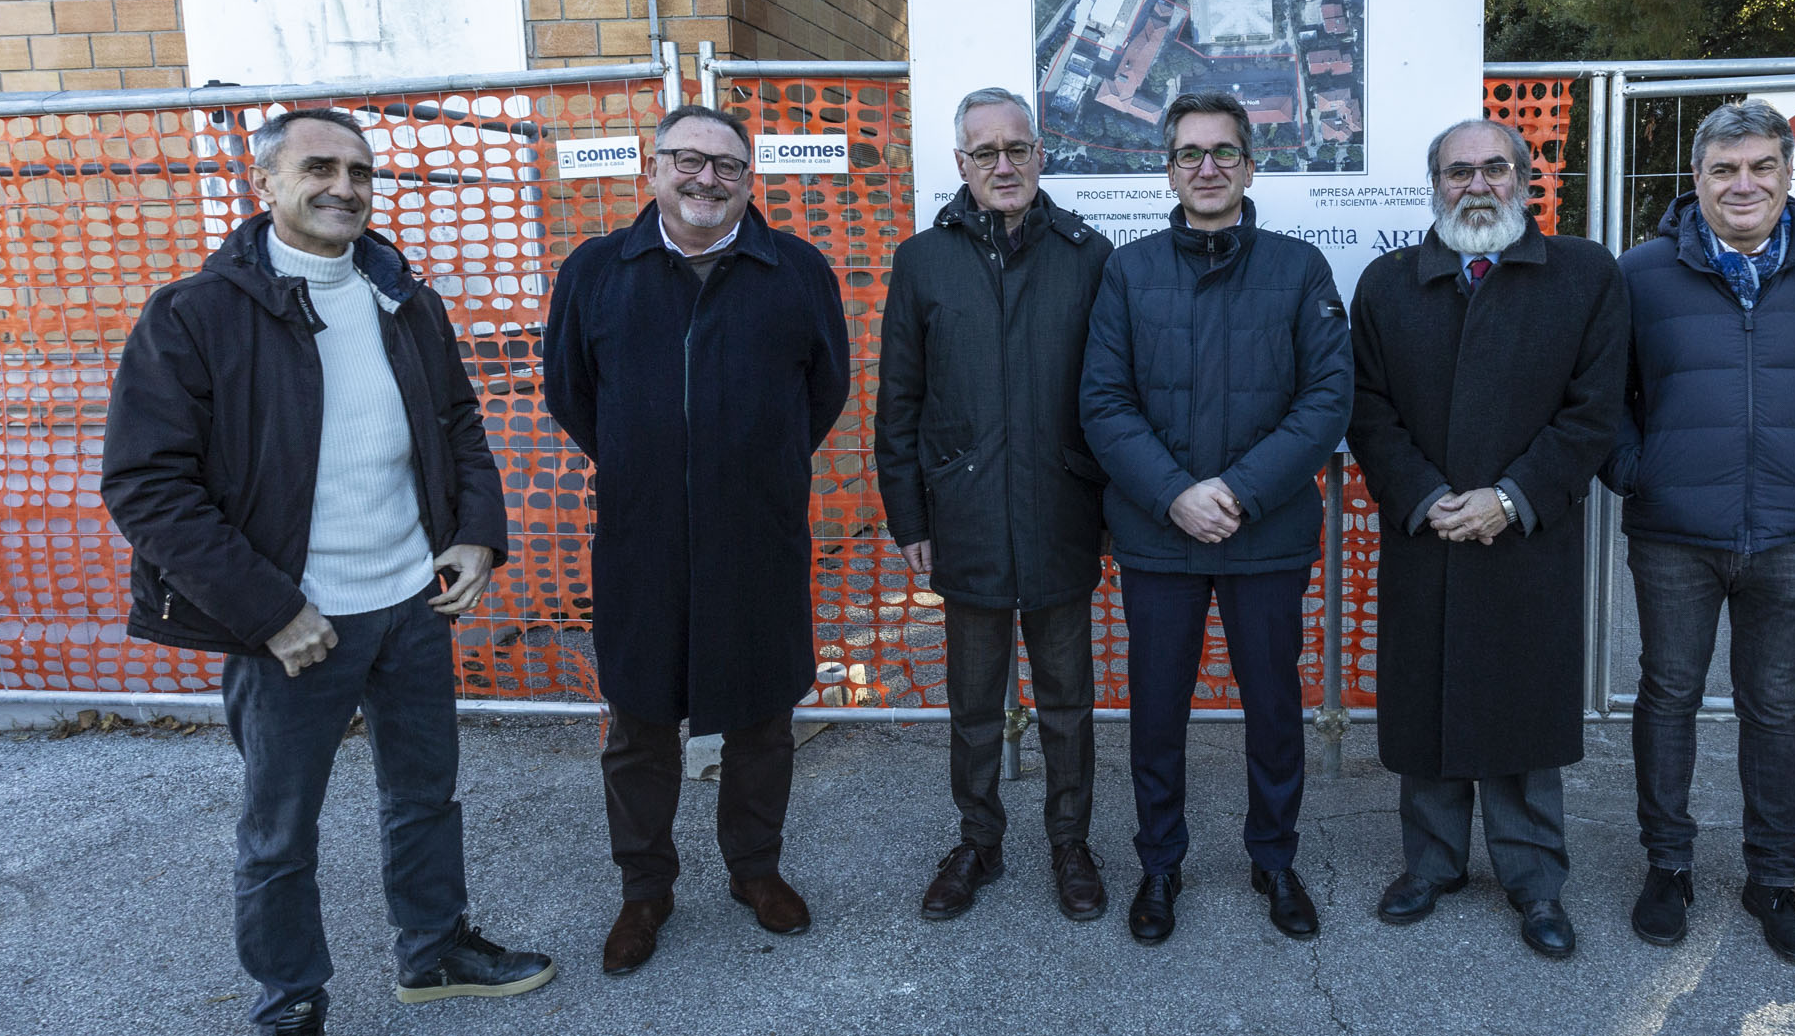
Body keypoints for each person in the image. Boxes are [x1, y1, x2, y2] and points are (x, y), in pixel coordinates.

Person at [101, 106, 551, 1036]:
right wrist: (272, 610)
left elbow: (458, 425)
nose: (343, 186)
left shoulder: (403, 298)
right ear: (265, 183)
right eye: (318, 167)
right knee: (279, 834)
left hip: (411, 603)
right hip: (293, 629)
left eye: (359, 170)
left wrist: (475, 535)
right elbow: (146, 484)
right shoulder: (194, 315)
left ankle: (433, 950)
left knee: (425, 792)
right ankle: (291, 1016)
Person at [542, 103, 850, 975]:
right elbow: (572, 391)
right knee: (639, 723)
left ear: (749, 180)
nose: (706, 178)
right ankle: (645, 889)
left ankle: (755, 869)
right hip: (641, 541)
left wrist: (754, 465)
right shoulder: (597, 270)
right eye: (688, 159)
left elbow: (824, 391)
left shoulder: (797, 270)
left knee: (762, 717)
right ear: (654, 169)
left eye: (727, 165)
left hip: (757, 538)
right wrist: (647, 461)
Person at [1600, 99, 1795, 964]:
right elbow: (1605, 395)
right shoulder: (1641, 272)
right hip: (1673, 529)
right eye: (1725, 169)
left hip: (1791, 531)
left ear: (1788, 173)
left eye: (1762, 166)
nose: (1744, 184)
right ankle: (1668, 865)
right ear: (1696, 178)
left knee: (1775, 704)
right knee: (1668, 694)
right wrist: (1635, 469)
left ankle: (1775, 877)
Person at [1347, 120, 1630, 959]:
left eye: (1494, 168)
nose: (1477, 184)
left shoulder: (1584, 274)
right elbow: (1366, 407)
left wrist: (1512, 497)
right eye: (1458, 170)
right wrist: (1423, 495)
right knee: (1427, 701)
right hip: (1428, 528)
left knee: (1521, 706)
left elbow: (1595, 411)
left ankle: (1535, 879)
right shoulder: (1389, 282)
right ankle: (1430, 863)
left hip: (1528, 535)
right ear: (1435, 183)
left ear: (1526, 178)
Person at [1080, 89, 1354, 945]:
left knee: (1273, 708)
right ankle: (1160, 863)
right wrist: (1174, 493)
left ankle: (1274, 858)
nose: (1207, 167)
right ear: (1168, 169)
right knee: (1156, 710)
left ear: (1249, 165)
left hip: (1265, 534)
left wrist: (1236, 490)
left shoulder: (1300, 268)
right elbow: (1103, 401)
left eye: (1224, 151)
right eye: (1190, 153)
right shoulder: (1127, 272)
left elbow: (1327, 397)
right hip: (1158, 536)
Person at [876, 87, 1114, 923]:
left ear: (1041, 154)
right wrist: (909, 517)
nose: (1004, 165)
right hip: (965, 514)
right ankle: (978, 841)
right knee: (974, 702)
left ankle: (1071, 843)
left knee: (1068, 700)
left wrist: (1111, 509)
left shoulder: (1089, 255)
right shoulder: (922, 261)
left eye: (1018, 148)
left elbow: (1113, 395)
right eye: (986, 152)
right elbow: (898, 402)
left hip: (1061, 509)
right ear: (961, 163)